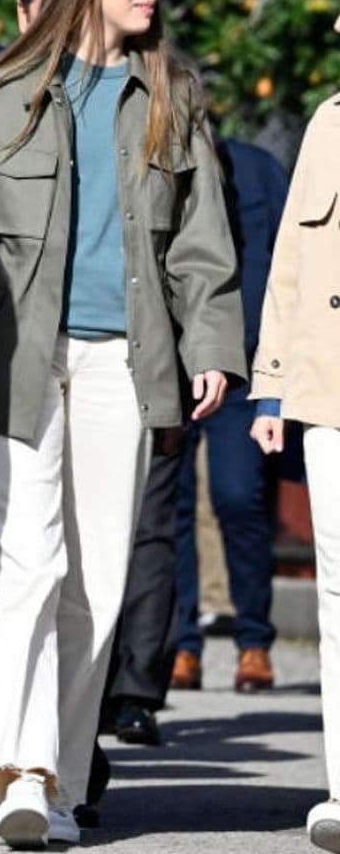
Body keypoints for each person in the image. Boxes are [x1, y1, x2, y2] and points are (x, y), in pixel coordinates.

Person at [0, 0, 246, 850]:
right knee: (23, 565)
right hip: (6, 360)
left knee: (97, 579)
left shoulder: (171, 93)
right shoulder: (0, 92)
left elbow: (201, 243)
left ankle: (53, 775)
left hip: (123, 363)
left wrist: (211, 346)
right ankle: (16, 769)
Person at [250, 13, 340, 854]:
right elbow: (291, 265)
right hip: (329, 392)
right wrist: (270, 388)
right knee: (338, 598)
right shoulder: (326, 123)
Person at [169, 136, 288, 694]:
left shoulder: (257, 167)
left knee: (240, 499)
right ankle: (180, 646)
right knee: (172, 509)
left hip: (240, 362)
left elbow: (287, 266)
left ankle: (254, 643)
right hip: (169, 361)